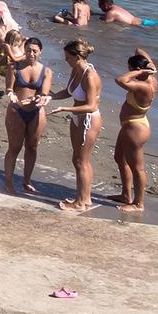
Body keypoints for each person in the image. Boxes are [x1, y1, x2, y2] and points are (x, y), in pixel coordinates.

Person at [50, 39, 102, 212]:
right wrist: (50, 97)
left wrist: (64, 108)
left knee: (81, 161)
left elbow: (91, 105)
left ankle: (80, 203)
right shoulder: (75, 70)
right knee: (78, 159)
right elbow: (68, 91)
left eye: (68, 57)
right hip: (77, 116)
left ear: (77, 57)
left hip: (89, 119)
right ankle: (84, 198)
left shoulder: (90, 76)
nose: (66, 61)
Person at [1, 36, 54, 195]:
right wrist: (11, 94)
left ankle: (27, 180)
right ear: (24, 50)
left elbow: (44, 92)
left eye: (35, 51)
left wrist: (40, 98)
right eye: (29, 50)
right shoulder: (14, 67)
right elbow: (9, 88)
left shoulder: (46, 71)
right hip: (17, 110)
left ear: (40, 52)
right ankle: (8, 182)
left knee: (32, 147)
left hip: (36, 111)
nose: (31, 54)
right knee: (14, 147)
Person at [112, 50, 157, 212]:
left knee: (137, 168)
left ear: (137, 70)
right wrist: (149, 66)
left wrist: (137, 72)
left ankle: (139, 203)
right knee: (119, 158)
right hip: (129, 126)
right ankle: (126, 195)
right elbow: (139, 49)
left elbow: (120, 80)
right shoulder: (149, 76)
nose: (129, 71)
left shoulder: (144, 85)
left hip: (135, 129)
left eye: (130, 69)